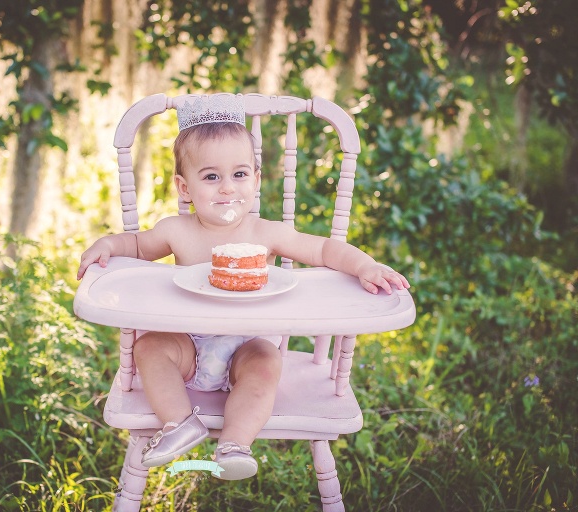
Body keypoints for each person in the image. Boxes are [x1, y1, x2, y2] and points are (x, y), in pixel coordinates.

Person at [77, 94, 410, 480]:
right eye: (211, 177)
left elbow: (320, 248)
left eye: (239, 174)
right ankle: (180, 423)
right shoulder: (175, 231)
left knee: (267, 363)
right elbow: (134, 246)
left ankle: (234, 443)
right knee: (149, 346)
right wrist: (106, 245)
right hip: (188, 342)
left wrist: (364, 265)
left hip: (245, 346)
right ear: (185, 188)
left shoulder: (266, 232)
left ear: (255, 179)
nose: (227, 188)